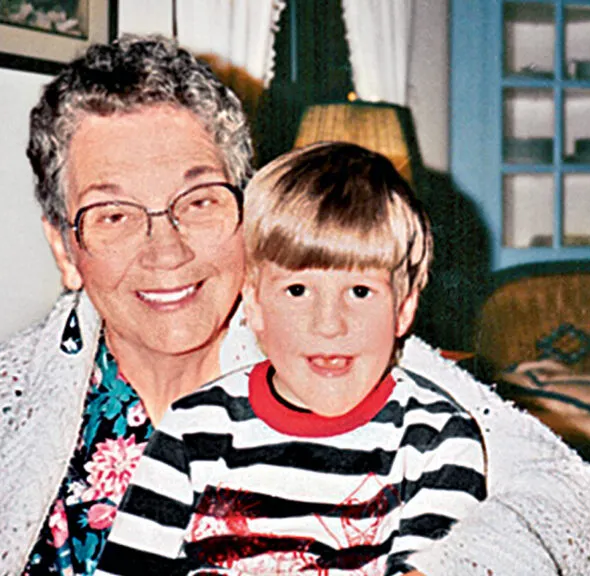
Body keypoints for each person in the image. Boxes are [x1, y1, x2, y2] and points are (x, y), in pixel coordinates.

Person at [0, 35, 590, 575]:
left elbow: (579, 514)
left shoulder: (348, 364)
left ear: (251, 214)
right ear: (64, 249)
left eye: (198, 201)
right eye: (112, 214)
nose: (163, 248)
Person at [97, 142, 488, 575]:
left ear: (403, 308)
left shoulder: (435, 438)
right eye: (297, 291)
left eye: (360, 292)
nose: (329, 325)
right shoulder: (195, 427)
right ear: (256, 305)